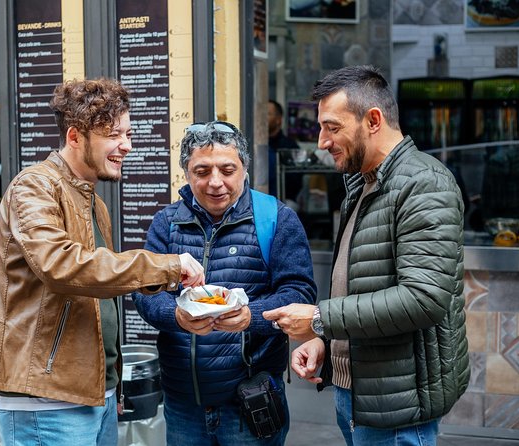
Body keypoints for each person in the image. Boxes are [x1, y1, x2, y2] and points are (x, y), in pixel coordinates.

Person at [0, 77, 205, 446]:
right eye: (114, 135)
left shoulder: (94, 202)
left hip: (92, 396)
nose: (126, 146)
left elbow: (98, 287)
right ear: (74, 137)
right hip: (46, 401)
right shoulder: (34, 186)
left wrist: (110, 388)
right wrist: (164, 266)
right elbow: (62, 266)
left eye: (128, 134)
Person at [263, 65, 470, 446]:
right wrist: (326, 341)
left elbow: (424, 299)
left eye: (332, 127)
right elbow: (364, 284)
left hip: (397, 407)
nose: (322, 141)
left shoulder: (425, 184)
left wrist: (320, 318)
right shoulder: (363, 182)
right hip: (356, 393)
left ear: (373, 120)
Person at [133, 121, 317, 445]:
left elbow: (298, 292)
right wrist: (176, 316)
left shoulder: (275, 218)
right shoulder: (167, 223)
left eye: (227, 169)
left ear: (244, 169)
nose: (215, 182)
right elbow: (145, 293)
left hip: (250, 400)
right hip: (183, 403)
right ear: (186, 173)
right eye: (202, 171)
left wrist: (251, 316)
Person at [267, 99, 299, 198]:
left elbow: (296, 182)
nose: (262, 117)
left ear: (278, 119)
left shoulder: (290, 146)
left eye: (268, 114)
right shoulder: (255, 145)